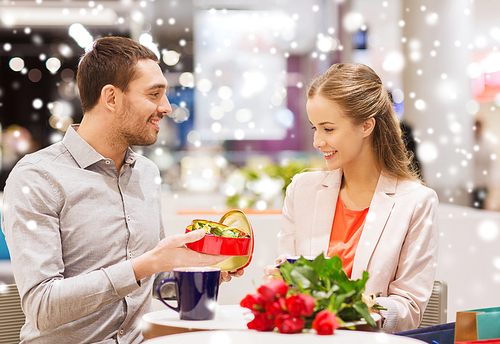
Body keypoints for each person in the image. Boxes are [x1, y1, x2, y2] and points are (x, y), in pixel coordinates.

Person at [1, 36, 241, 344]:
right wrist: (149, 263)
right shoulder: (36, 177)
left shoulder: (146, 173)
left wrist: (193, 272)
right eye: (154, 94)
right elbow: (42, 307)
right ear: (111, 98)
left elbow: (150, 285)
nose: (166, 107)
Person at [263, 63, 439, 333]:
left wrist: (364, 309)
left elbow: (410, 308)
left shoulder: (416, 202)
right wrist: (277, 284)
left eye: (328, 129)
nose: (317, 142)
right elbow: (285, 272)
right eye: (314, 129)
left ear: (367, 125)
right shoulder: (303, 189)